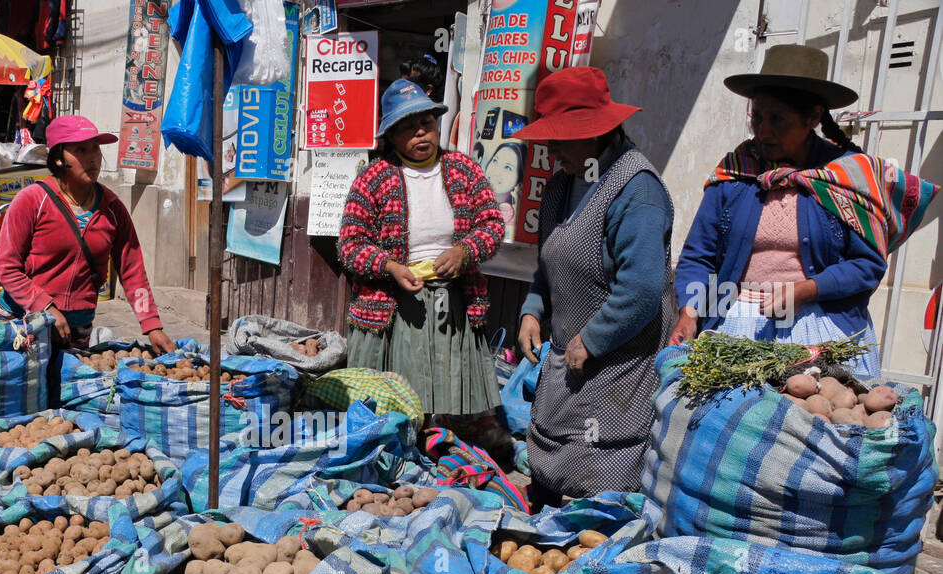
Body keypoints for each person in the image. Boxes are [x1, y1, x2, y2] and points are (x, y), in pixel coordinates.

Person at [669, 45, 933, 379]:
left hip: (821, 332)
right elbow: (698, 255)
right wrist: (690, 310)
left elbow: (867, 266)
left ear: (812, 118)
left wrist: (805, 289)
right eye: (757, 117)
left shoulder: (847, 178)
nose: (763, 131)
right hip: (734, 326)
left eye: (778, 119)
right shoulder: (735, 173)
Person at [514, 66, 674, 510]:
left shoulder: (636, 190)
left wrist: (596, 337)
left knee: (601, 478)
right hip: (570, 355)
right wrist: (533, 306)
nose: (549, 149)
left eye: (560, 138)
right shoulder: (563, 180)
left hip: (618, 363)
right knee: (549, 464)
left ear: (597, 131)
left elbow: (642, 289)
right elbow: (550, 259)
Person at [337, 78, 506, 417]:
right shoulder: (374, 178)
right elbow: (350, 245)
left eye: (426, 124)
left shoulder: (464, 169)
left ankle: (444, 444)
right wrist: (390, 267)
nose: (421, 133)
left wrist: (464, 252)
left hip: (453, 300)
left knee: (449, 396)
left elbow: (492, 223)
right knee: (398, 401)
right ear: (391, 136)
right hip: (396, 306)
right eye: (409, 127)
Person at [0, 114, 174, 355]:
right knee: (22, 391)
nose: (92, 159)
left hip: (76, 329)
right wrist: (44, 307)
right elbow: (5, 267)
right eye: (81, 150)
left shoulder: (113, 209)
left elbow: (132, 272)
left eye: (95, 149)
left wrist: (152, 324)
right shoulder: (33, 200)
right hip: (22, 320)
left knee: (66, 390)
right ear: (58, 159)